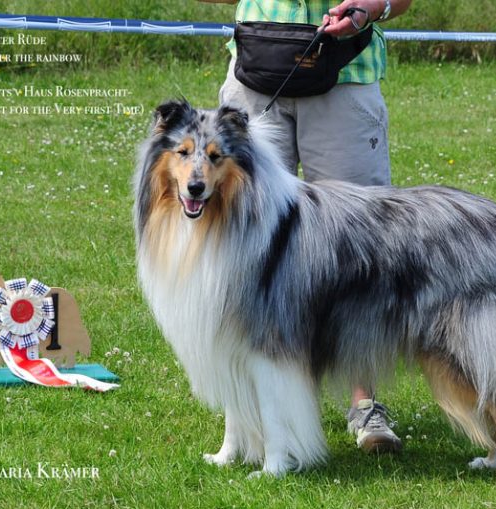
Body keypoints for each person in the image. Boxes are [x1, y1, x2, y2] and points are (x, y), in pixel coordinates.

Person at [200, 0, 412, 453]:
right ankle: (253, 408)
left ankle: (365, 403)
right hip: (254, 81)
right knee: (238, 251)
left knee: (362, 248)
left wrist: (368, 10)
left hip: (345, 76)